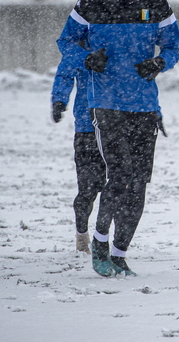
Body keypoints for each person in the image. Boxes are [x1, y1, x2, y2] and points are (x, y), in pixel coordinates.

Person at [56, 0, 179, 277]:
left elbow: (172, 46)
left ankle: (121, 254)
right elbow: (66, 42)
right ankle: (99, 242)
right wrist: (86, 59)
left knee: (139, 184)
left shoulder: (157, 5)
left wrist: (160, 62)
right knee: (120, 176)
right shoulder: (91, 3)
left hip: (143, 105)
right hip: (105, 104)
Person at [51, 43, 106, 254]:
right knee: (88, 188)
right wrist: (59, 100)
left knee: (117, 186)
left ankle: (105, 237)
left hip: (115, 126)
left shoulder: (117, 39)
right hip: (86, 127)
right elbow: (64, 74)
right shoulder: (78, 46)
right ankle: (82, 234)